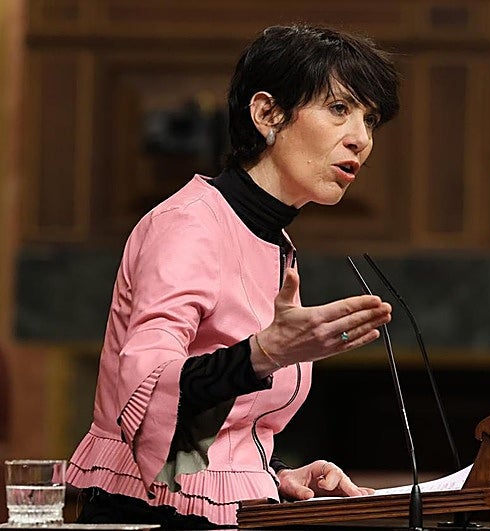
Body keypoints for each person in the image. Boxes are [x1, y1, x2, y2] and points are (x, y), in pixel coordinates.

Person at [68, 24, 400, 529]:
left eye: (369, 120)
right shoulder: (189, 226)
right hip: (151, 514)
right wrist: (264, 353)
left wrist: (271, 473)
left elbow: (224, 423)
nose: (361, 138)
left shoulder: (271, 238)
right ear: (267, 113)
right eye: (339, 109)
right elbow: (147, 389)